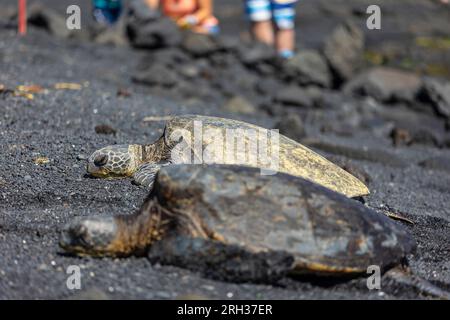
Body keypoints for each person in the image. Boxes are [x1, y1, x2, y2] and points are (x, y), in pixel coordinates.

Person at [145, 0, 219, 34]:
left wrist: (188, 22)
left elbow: (206, 11)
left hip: (199, 25)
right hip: (172, 26)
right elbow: (149, 10)